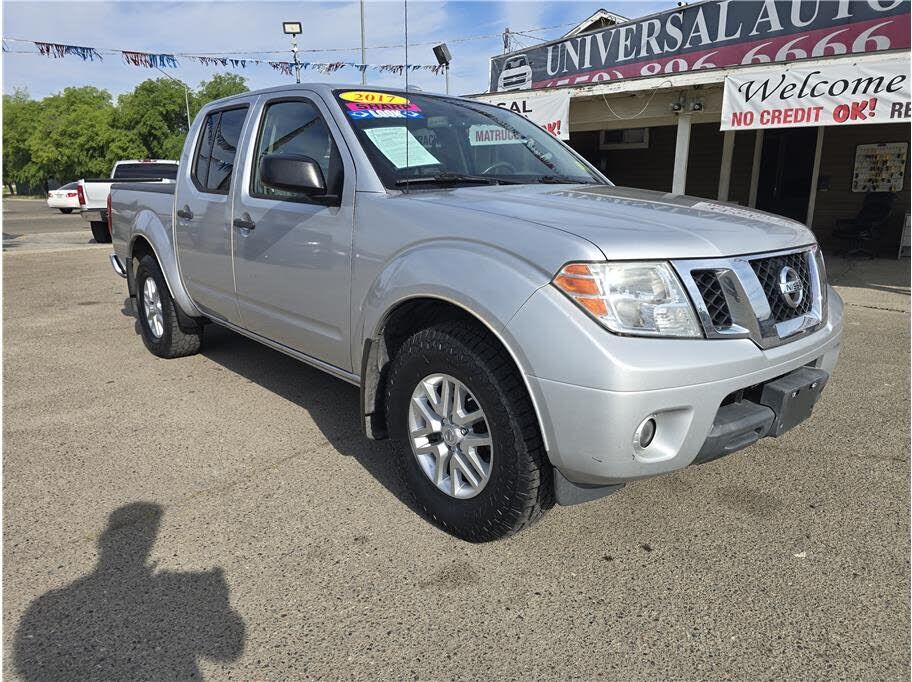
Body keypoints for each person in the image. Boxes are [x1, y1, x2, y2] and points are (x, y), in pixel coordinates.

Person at [14, 502, 245, 680]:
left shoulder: (47, 604)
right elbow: (228, 651)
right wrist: (219, 599)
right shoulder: (51, 604)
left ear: (103, 541)